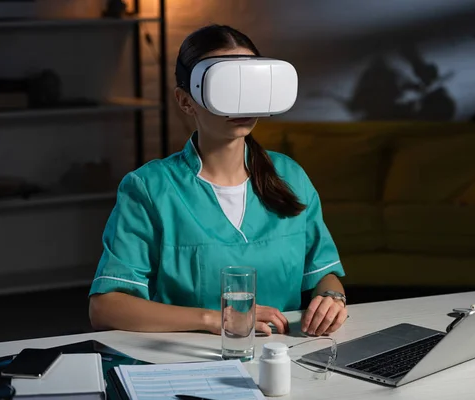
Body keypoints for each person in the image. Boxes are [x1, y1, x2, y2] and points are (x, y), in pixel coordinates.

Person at [88, 24, 348, 337]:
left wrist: (332, 297)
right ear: (186, 101)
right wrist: (216, 319)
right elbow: (106, 307)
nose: (240, 102)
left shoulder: (290, 176)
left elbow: (325, 273)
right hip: (188, 362)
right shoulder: (149, 188)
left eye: (248, 85)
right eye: (226, 86)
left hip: (283, 358)